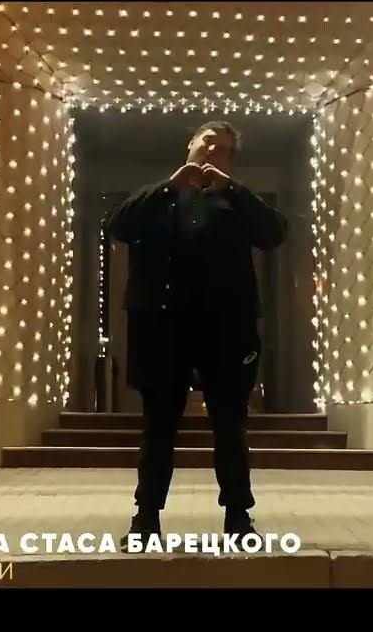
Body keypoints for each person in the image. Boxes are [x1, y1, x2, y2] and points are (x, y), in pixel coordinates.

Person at [106, 121, 287, 550]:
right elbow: (119, 225)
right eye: (207, 142)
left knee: (230, 426)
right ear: (190, 144)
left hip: (225, 330)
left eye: (222, 149)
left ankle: (238, 517)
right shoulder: (157, 196)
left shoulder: (236, 202)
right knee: (158, 427)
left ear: (229, 161)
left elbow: (275, 233)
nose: (212, 151)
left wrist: (234, 190)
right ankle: (146, 518)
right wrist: (170, 185)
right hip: (161, 328)